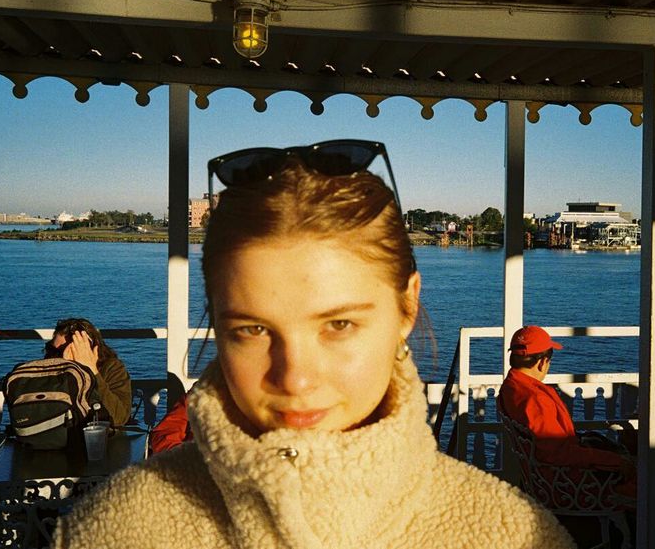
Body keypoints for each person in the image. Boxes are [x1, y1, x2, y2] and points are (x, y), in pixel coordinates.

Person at [54, 140, 574, 548]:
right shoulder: (111, 532)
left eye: (339, 325)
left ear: (407, 308)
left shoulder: (515, 535)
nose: (296, 378)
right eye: (252, 330)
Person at [498, 325, 636, 493]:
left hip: (542, 478)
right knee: (643, 477)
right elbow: (558, 453)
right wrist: (615, 461)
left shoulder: (510, 388)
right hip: (566, 485)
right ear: (542, 363)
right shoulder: (536, 400)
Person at [45, 317, 132, 427]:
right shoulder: (47, 368)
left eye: (68, 349)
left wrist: (91, 372)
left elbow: (119, 418)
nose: (62, 356)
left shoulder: (112, 368)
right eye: (54, 350)